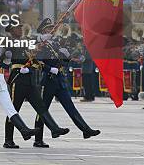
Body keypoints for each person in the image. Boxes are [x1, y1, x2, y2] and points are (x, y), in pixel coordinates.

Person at [32, 18, 100, 147]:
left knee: (70, 107)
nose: (52, 30)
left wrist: (66, 57)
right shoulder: (41, 43)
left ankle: (85, 130)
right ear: (43, 30)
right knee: (43, 110)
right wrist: (49, 69)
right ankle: (38, 139)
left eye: (52, 28)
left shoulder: (55, 43)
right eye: (48, 28)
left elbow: (61, 61)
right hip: (49, 80)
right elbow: (36, 61)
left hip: (60, 80)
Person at [3, 23, 69, 149]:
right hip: (18, 78)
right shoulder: (10, 41)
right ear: (11, 31)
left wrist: (37, 50)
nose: (20, 30)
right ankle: (8, 139)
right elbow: (7, 58)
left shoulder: (25, 41)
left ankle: (54, 129)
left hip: (30, 79)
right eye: (17, 28)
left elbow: (35, 59)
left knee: (41, 106)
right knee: (14, 110)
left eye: (21, 28)